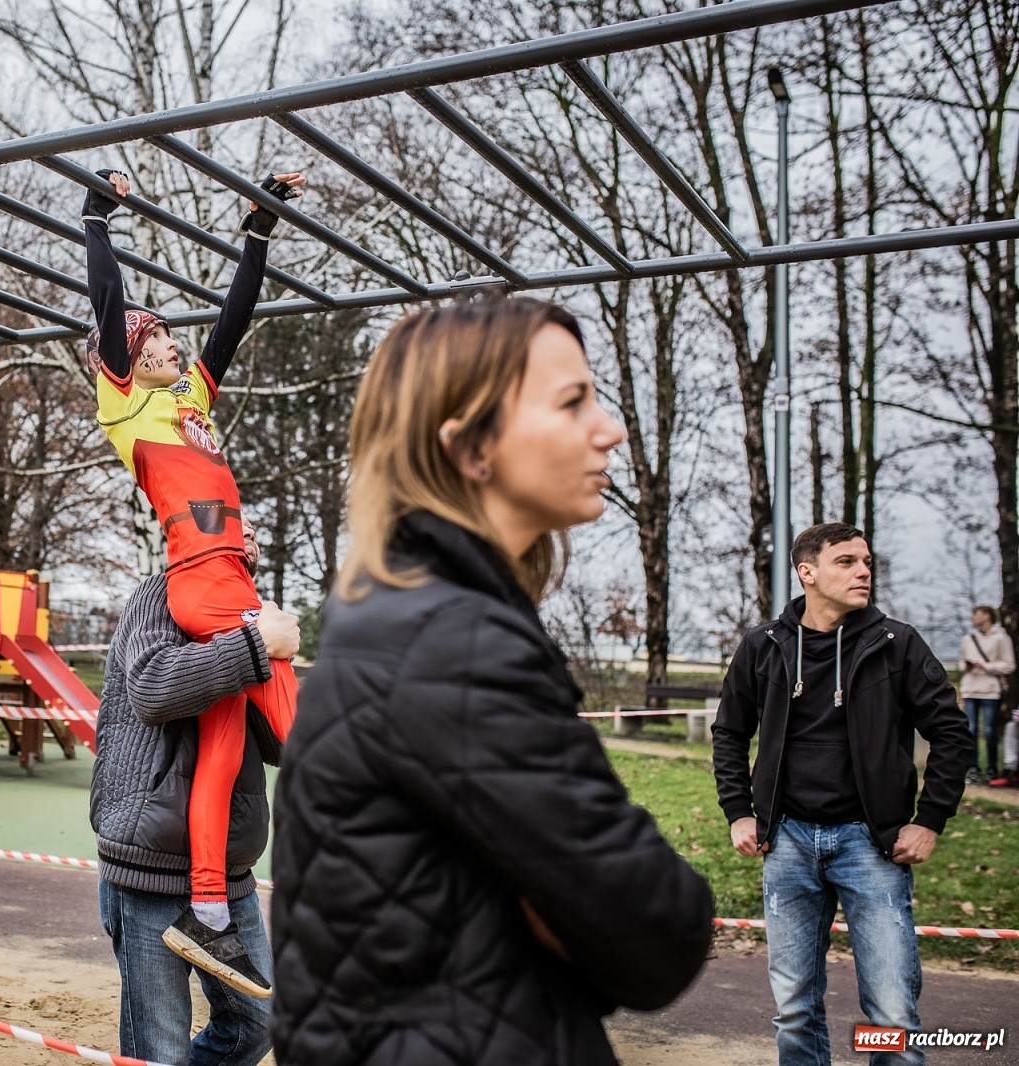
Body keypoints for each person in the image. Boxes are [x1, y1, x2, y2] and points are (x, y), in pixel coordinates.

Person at [269, 299, 715, 1066]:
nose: (609, 429)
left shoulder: (395, 616)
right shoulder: (454, 645)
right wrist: (569, 919)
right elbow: (660, 932)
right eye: (572, 402)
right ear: (472, 446)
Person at [82, 167, 303, 996]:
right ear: (128, 358)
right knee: (301, 729)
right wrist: (97, 221)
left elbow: (233, 324)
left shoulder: (189, 402)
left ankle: (206, 912)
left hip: (224, 574)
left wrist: (259, 229)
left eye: (172, 337)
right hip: (207, 583)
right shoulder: (126, 407)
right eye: (157, 339)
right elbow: (109, 304)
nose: (173, 344)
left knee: (223, 749)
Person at [712, 522, 975, 1066]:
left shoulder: (896, 644)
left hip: (871, 845)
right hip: (786, 842)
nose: (863, 572)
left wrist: (929, 819)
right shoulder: (764, 645)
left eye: (867, 562)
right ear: (807, 573)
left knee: (892, 1013)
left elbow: (951, 732)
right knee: (794, 1010)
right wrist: (739, 812)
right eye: (847, 562)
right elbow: (730, 732)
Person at [92, 515, 298, 1066]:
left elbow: (278, 745)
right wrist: (255, 647)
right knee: (159, 1050)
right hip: (151, 863)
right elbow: (152, 687)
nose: (249, 533)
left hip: (228, 870)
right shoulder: (159, 594)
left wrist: (280, 669)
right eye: (236, 522)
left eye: (255, 528)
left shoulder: (252, 611)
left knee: (257, 1023)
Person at [960, 604, 1014, 785]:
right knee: (970, 729)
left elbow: (1009, 665)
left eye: (976, 614)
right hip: (970, 688)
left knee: (990, 731)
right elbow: (961, 663)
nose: (973, 618)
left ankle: (992, 768)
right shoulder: (969, 639)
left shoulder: (1001, 638)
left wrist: (985, 666)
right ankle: (973, 768)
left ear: (987, 616)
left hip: (990, 690)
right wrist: (968, 666)